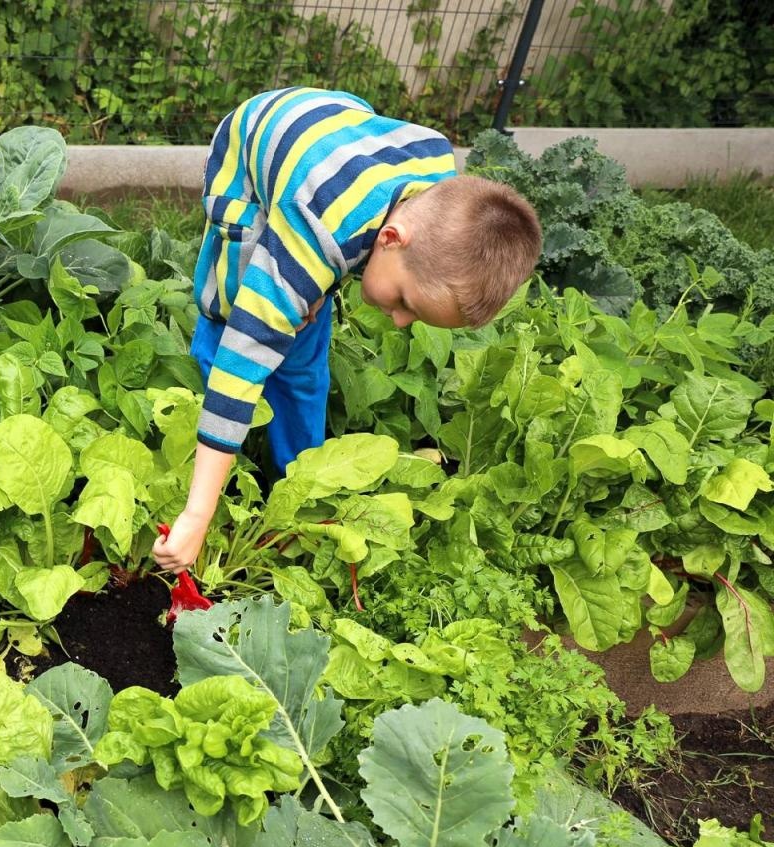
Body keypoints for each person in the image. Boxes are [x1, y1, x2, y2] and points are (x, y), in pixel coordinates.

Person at [153, 87, 542, 573]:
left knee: (300, 341)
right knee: (239, 319)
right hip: (250, 147)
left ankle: (297, 483)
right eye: (405, 303)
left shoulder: (439, 179)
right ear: (390, 238)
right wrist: (197, 514)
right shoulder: (321, 226)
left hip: (338, 139)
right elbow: (243, 358)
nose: (399, 321)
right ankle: (207, 451)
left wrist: (313, 290)